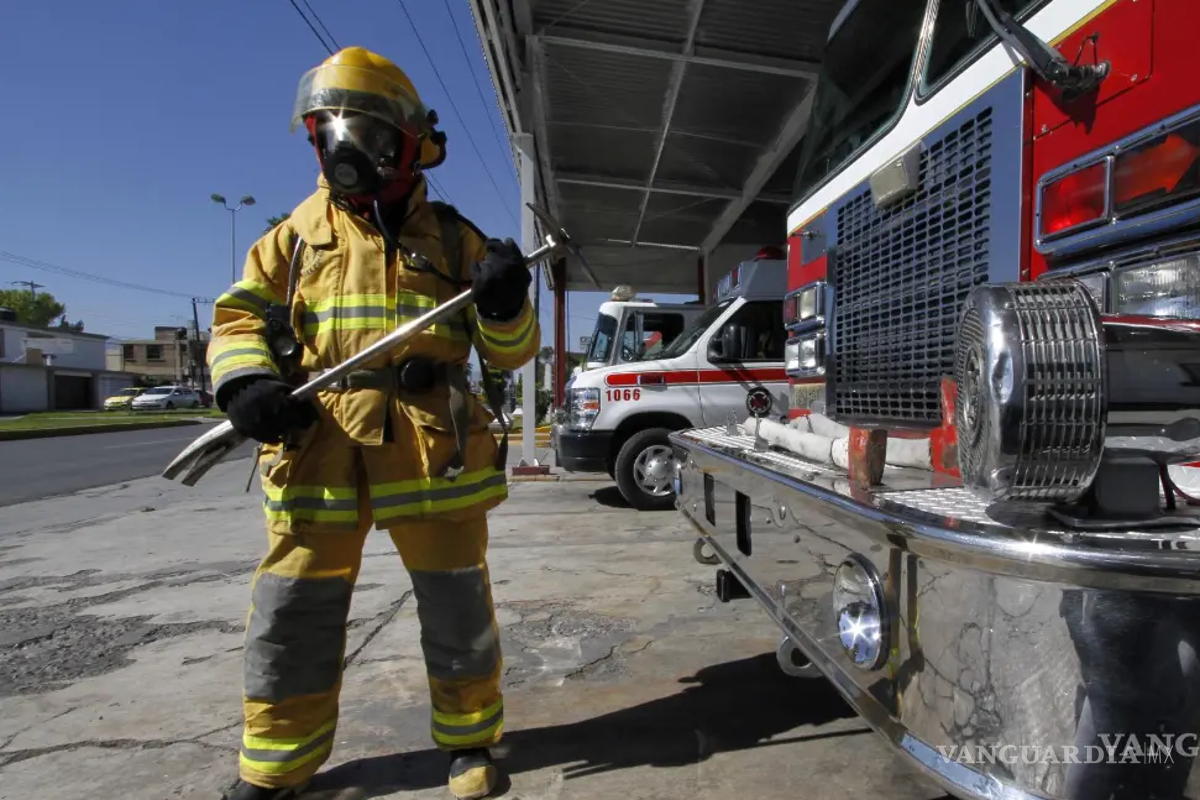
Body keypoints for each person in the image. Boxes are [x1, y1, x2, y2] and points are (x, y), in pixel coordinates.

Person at [207, 46, 539, 800]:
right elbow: (236, 322)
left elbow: (512, 354)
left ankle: (471, 743)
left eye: (363, 129)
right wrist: (248, 383)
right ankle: (276, 769)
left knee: (458, 608)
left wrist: (501, 301)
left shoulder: (458, 242)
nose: (343, 145)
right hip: (316, 447)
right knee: (293, 610)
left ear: (408, 143)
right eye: (329, 128)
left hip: (432, 452)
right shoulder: (290, 240)